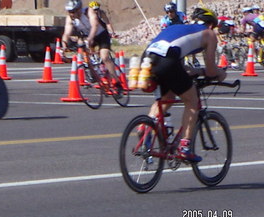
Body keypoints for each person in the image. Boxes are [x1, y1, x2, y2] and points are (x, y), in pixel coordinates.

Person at [142, 7, 226, 162]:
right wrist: (220, 74)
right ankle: (184, 147)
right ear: (210, 25)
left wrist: (192, 70)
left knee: (167, 97)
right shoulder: (209, 34)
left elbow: (178, 59)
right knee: (192, 101)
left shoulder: (180, 28)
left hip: (147, 57)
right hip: (167, 59)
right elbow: (211, 70)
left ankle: (146, 126)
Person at [61, 0, 122, 94]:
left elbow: (95, 25)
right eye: (70, 12)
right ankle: (93, 70)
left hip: (101, 35)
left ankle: (117, 82)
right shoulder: (70, 18)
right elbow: (66, 33)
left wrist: (90, 38)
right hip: (86, 35)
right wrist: (64, 45)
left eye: (73, 11)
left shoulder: (89, 11)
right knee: (82, 47)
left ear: (79, 9)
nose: (71, 14)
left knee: (105, 57)